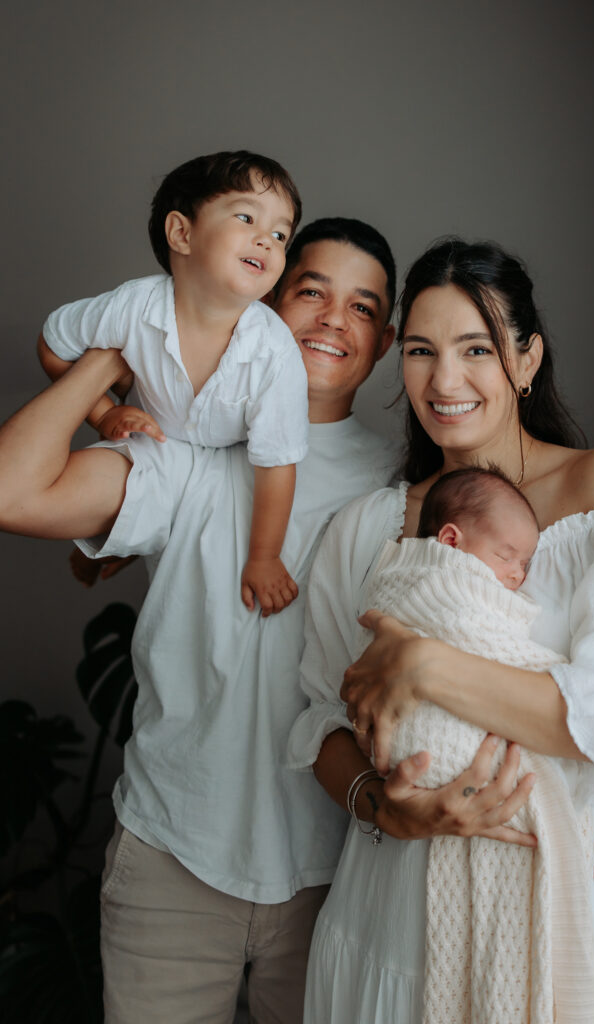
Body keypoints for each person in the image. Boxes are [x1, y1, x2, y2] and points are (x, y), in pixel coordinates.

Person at [0, 217, 400, 1022]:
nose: (332, 320)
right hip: (171, 855)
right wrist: (116, 354)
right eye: (310, 292)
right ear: (265, 304)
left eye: (362, 307)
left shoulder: (405, 484)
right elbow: (14, 493)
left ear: (384, 341)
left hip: (340, 870)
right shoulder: (188, 450)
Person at [287, 237, 594, 1023]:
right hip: (394, 908)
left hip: (566, 906)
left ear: (527, 359)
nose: (444, 381)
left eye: (476, 349)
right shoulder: (365, 527)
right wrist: (380, 806)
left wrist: (423, 666)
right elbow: (322, 721)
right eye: (420, 351)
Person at [365, 467, 594, 1022]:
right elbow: (489, 646)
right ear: (450, 542)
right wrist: (561, 675)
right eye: (507, 556)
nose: (517, 575)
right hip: (426, 745)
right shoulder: (441, 583)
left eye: (525, 564)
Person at [39, 150, 309, 616]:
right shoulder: (133, 305)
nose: (266, 240)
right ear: (182, 234)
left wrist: (264, 558)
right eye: (247, 218)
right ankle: (106, 545)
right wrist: (104, 414)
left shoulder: (274, 349)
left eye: (281, 234)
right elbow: (53, 344)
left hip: (228, 455)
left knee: (206, 538)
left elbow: (277, 465)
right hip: (154, 439)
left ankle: (117, 549)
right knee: (103, 496)